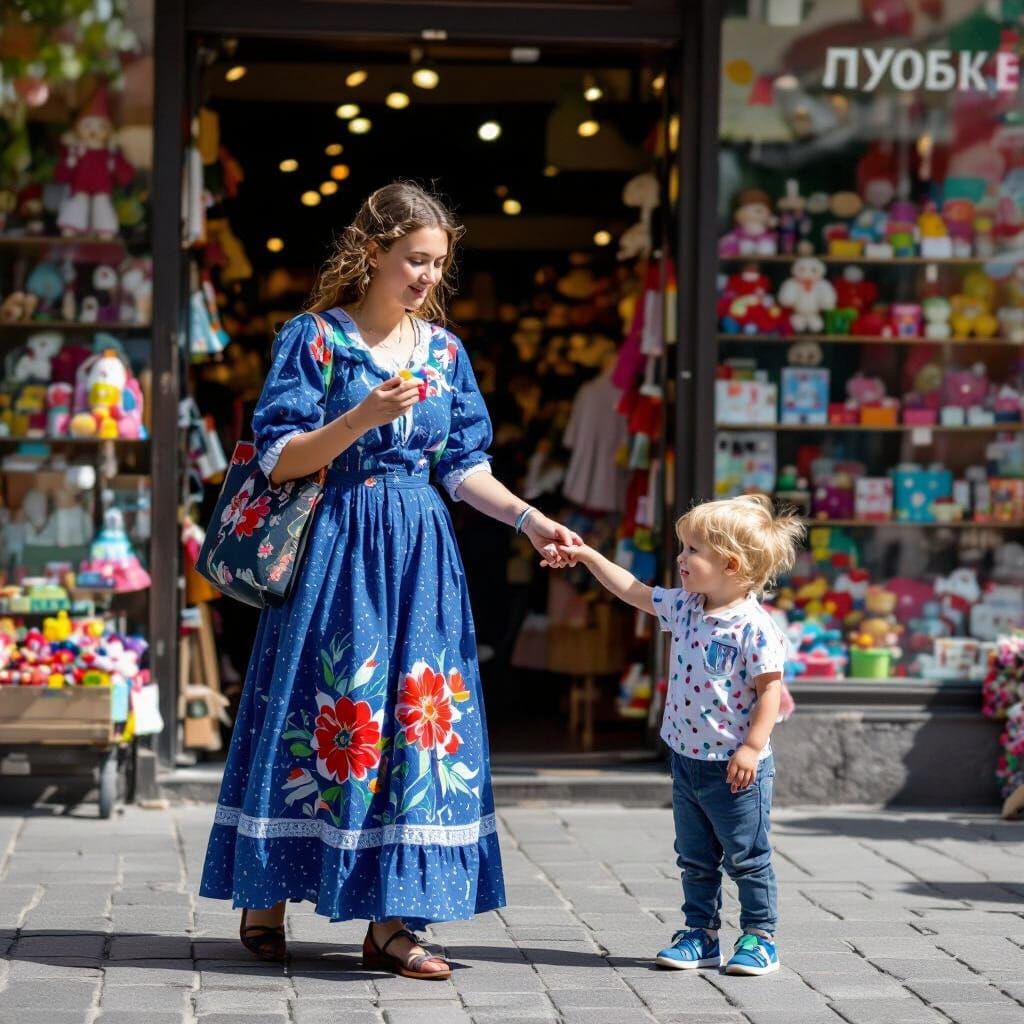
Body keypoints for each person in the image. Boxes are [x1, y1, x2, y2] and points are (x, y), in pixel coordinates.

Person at [199, 182, 581, 979]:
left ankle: (394, 922)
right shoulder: (313, 339)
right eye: (414, 260)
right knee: (323, 705)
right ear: (371, 253)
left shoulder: (445, 353)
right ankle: (265, 888)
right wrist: (361, 418)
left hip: (420, 559)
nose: (427, 279)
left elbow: (463, 466)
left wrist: (529, 520)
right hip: (334, 549)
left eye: (438, 265)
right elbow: (278, 457)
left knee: (414, 724)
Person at [547, 494, 803, 976]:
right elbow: (632, 589)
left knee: (747, 857)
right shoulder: (684, 607)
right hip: (687, 760)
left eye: (692, 551)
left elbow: (770, 692)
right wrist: (587, 555)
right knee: (695, 858)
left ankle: (759, 937)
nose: (680, 559)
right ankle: (701, 935)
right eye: (682, 548)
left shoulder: (755, 627)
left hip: (735, 768)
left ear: (730, 564)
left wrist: (751, 747)